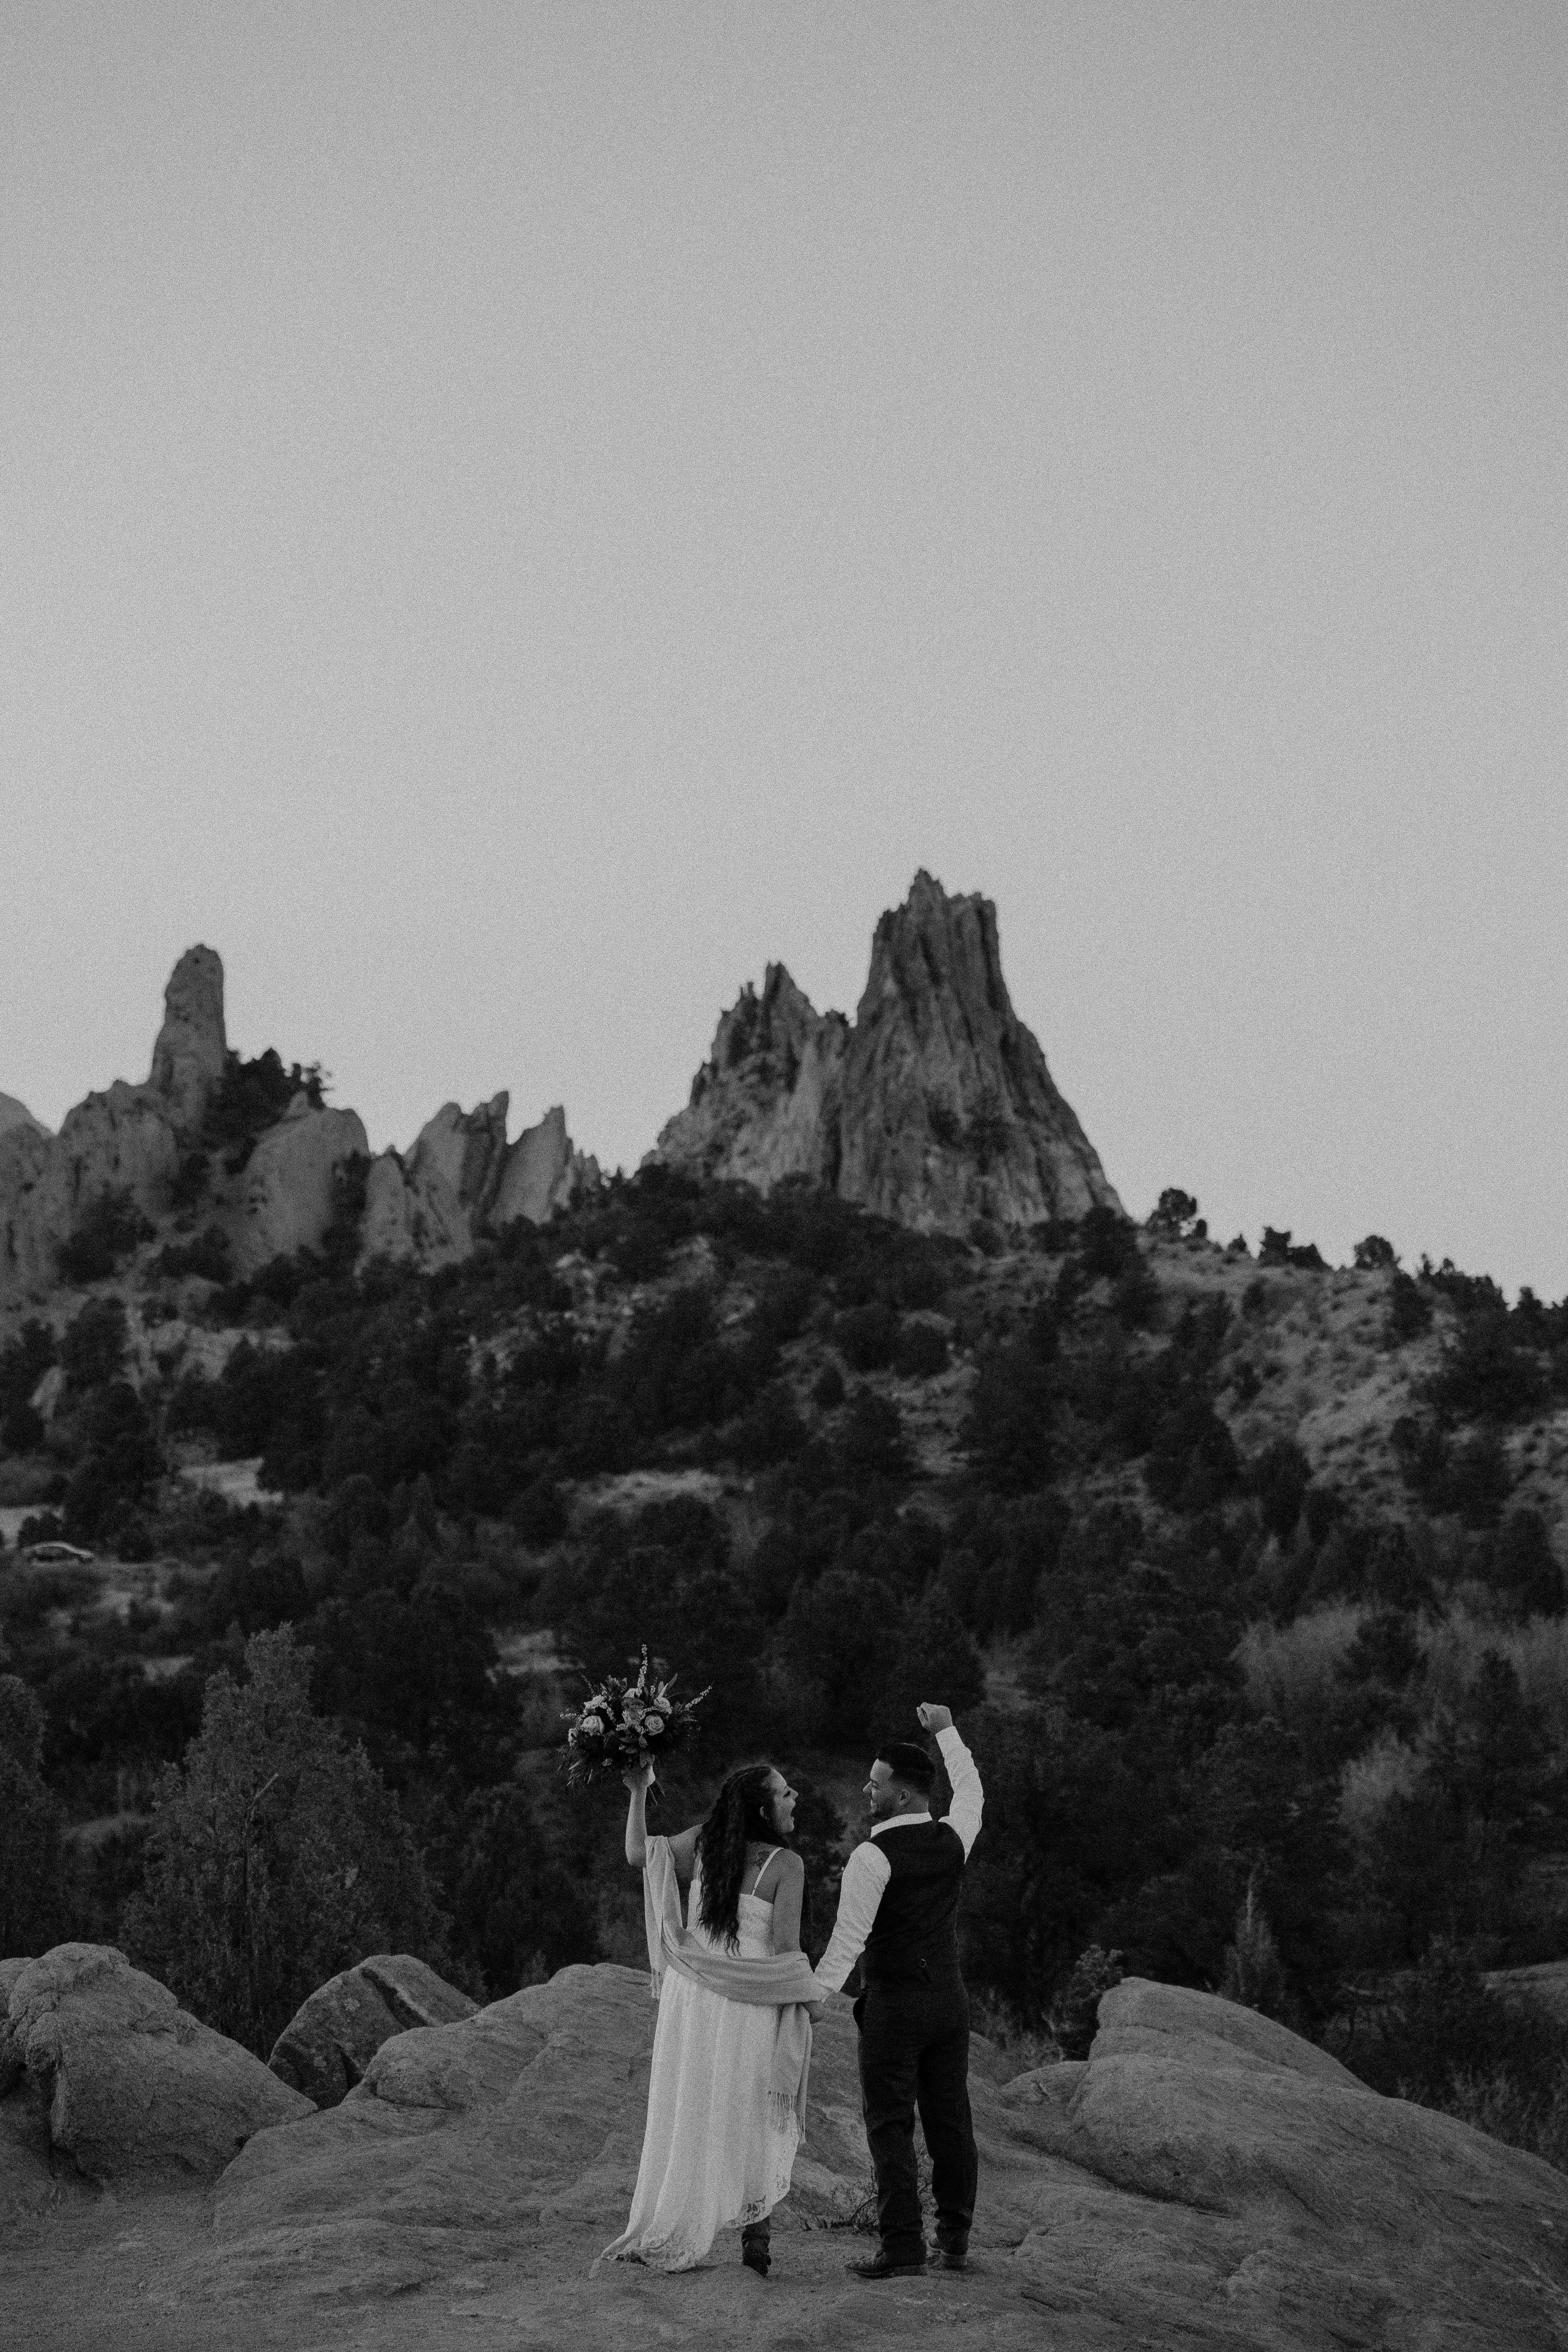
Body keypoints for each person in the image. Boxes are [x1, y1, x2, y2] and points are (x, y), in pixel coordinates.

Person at [598, 1758, 825, 2276]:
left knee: (689, 2102)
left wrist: (638, 1790)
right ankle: (756, 2235)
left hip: (693, 1994)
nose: (795, 1800)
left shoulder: (704, 1842)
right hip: (749, 2002)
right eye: (785, 1793)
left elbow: (639, 1853)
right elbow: (788, 1950)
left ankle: (672, 2219)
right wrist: (811, 2000)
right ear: (762, 1807)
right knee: (750, 2107)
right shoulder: (786, 1866)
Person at [811, 1699, 984, 2280]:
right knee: (950, 2121)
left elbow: (847, 1940)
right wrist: (947, 1732)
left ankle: (902, 2246)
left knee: (889, 2125)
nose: (865, 1789)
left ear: (903, 1795)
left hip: (894, 2006)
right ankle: (954, 2241)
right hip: (949, 2003)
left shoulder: (871, 1856)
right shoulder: (954, 1837)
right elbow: (971, 1794)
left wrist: (810, 2001)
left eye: (876, 1783)